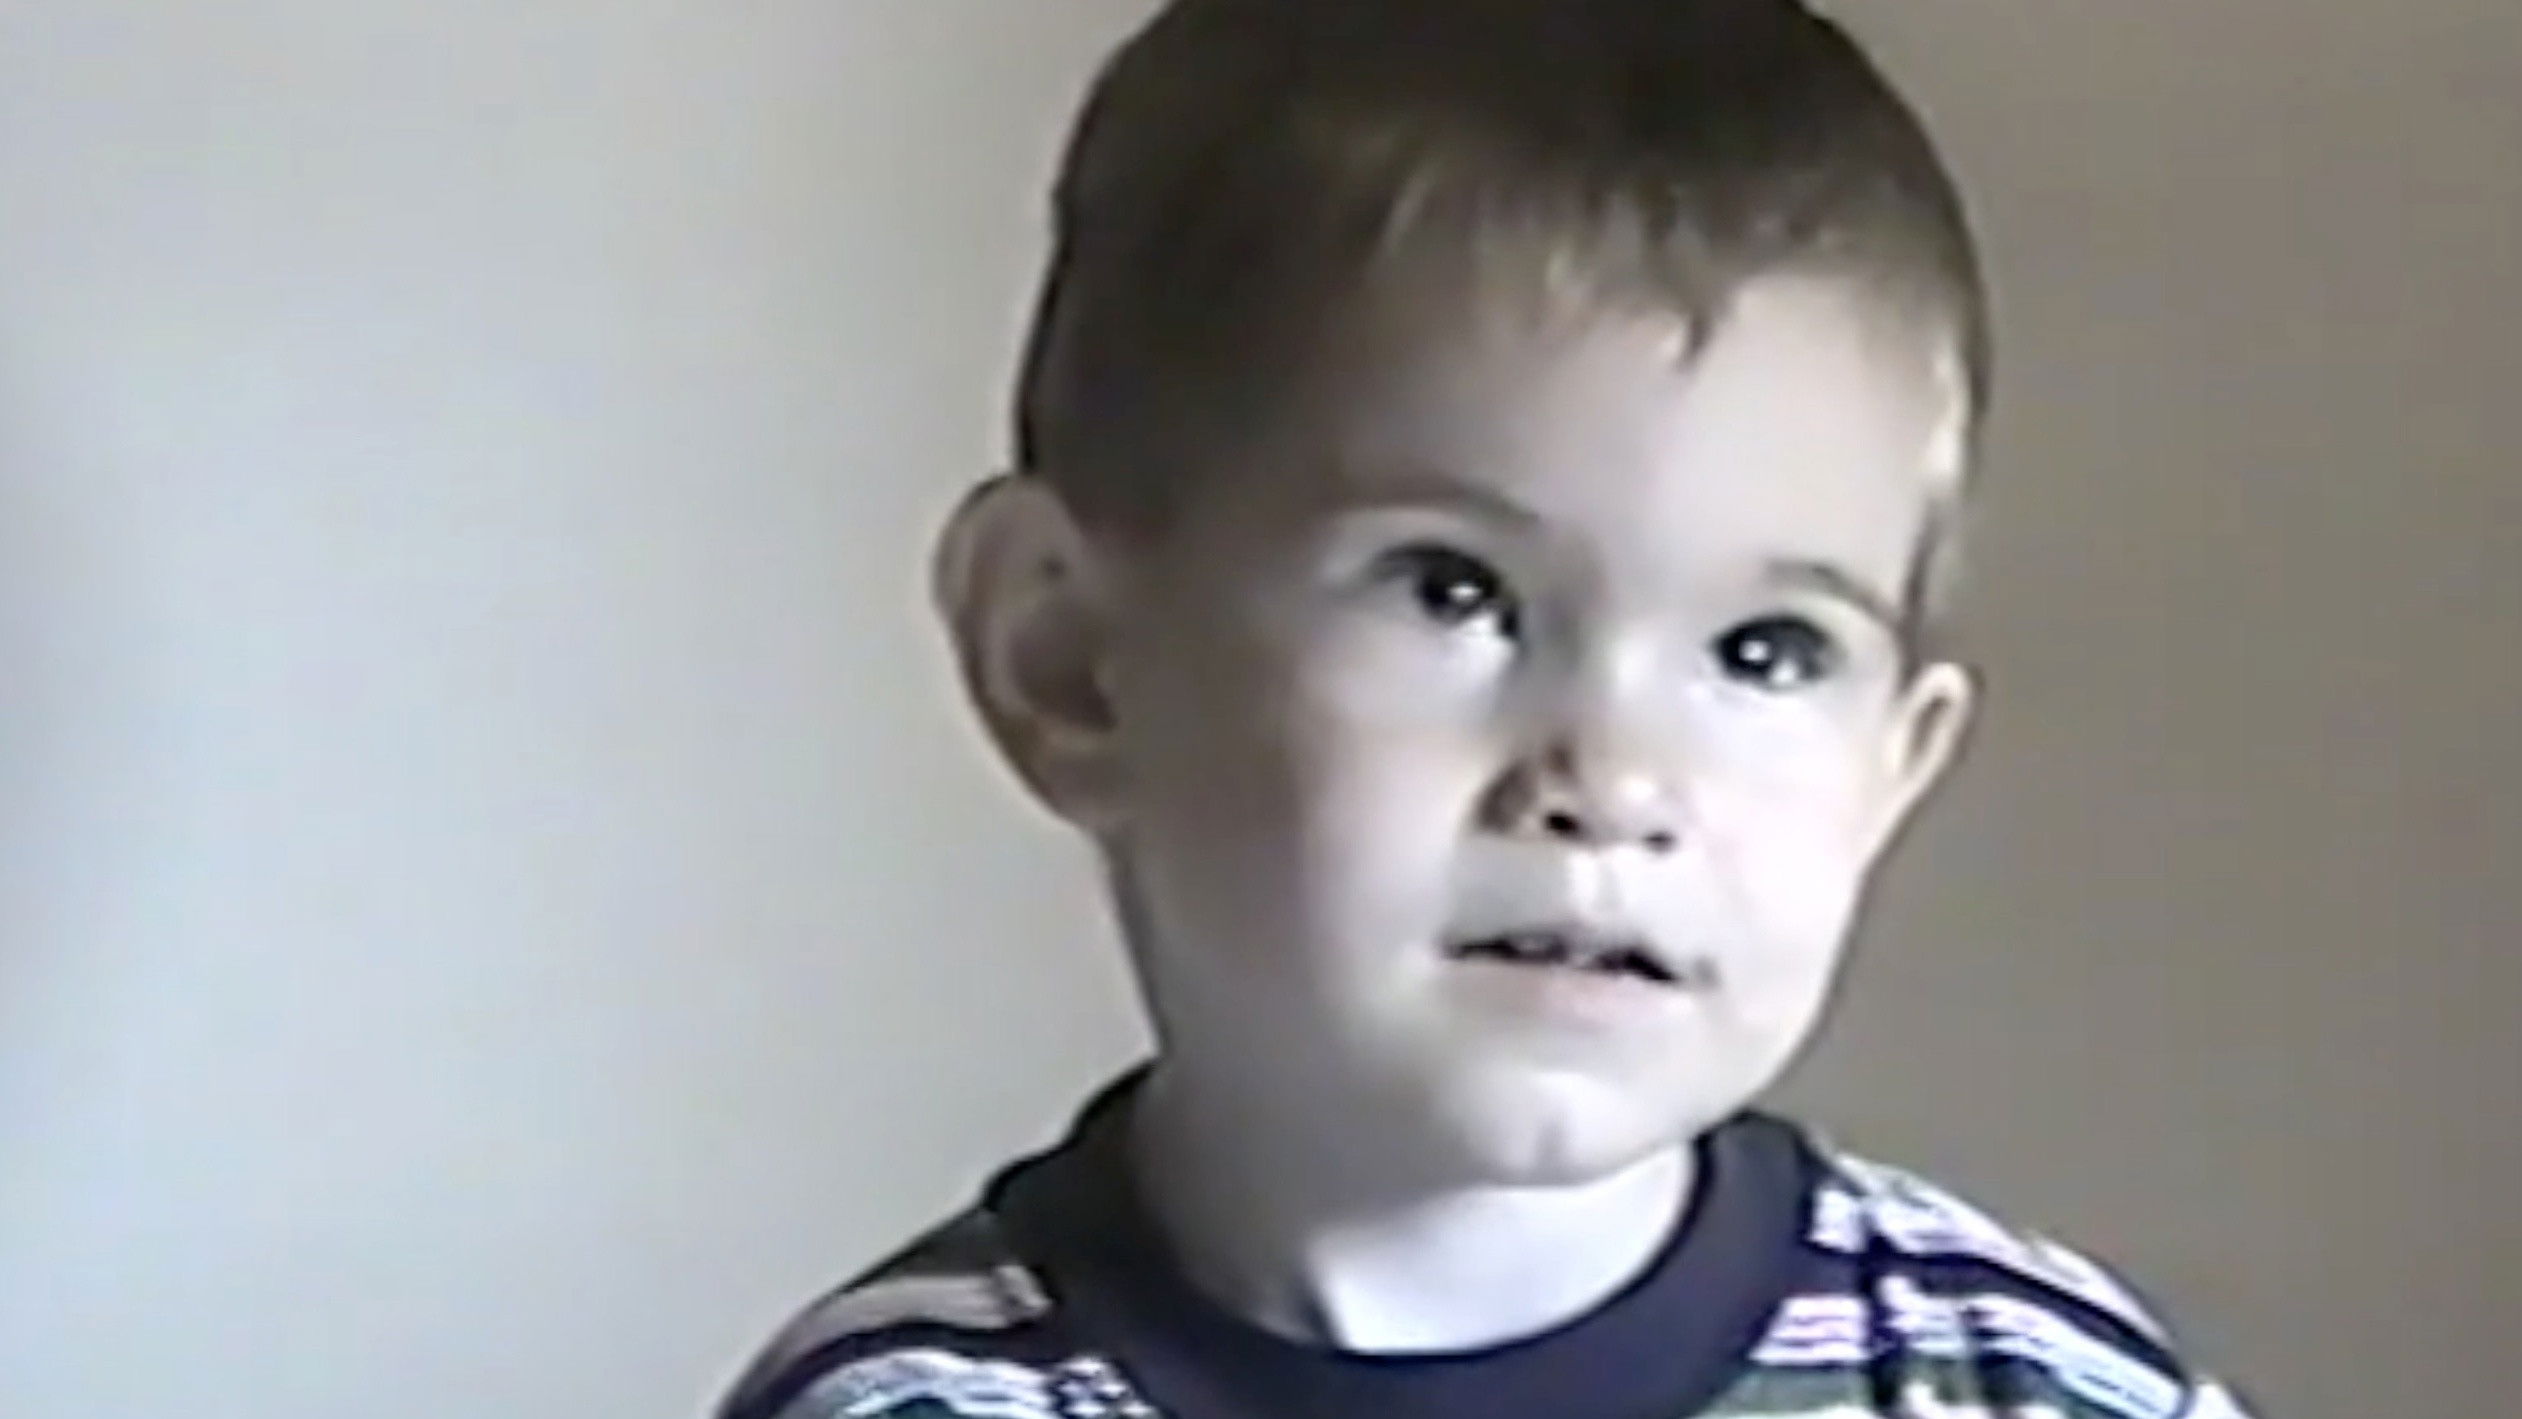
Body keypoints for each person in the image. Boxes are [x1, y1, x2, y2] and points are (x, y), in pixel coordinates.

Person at [721, 2, 2256, 1415]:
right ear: (1070, 662)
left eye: (1764, 651)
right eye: (1453, 591)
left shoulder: (2036, 1384)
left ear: (1889, 771)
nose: (1614, 780)